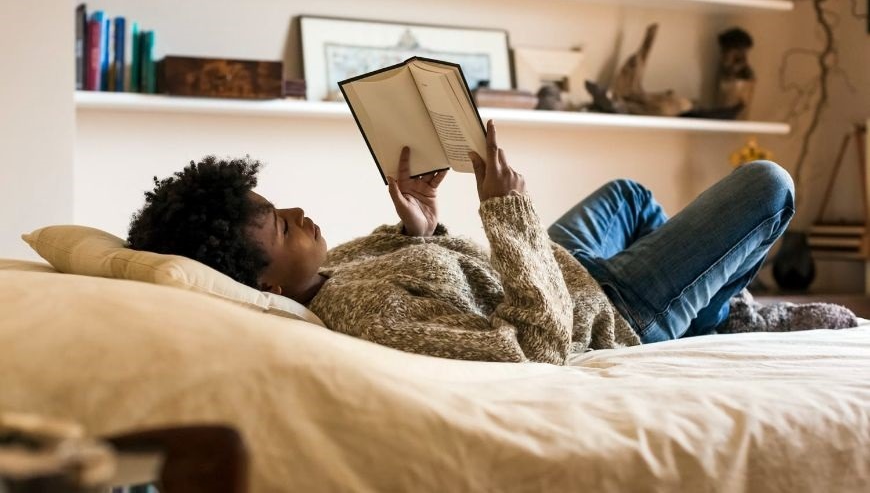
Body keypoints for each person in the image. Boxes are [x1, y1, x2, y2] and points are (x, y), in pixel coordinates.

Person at [127, 120, 858, 364]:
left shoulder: (333, 270)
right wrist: (505, 211)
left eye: (281, 201)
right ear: (267, 286)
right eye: (283, 225)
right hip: (605, 310)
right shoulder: (364, 320)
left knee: (631, 197)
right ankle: (719, 315)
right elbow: (537, 345)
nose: (299, 210)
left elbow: (447, 269)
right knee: (768, 186)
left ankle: (712, 305)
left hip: (557, 265)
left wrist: (427, 224)